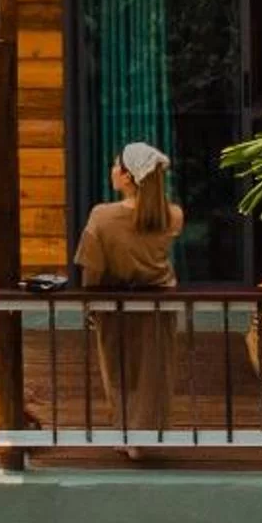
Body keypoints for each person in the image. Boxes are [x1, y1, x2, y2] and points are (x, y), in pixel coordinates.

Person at [75, 141, 184, 431]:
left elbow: (92, 267)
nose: (112, 170)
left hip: (115, 304)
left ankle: (126, 434)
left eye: (116, 165)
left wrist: (89, 304)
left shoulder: (102, 216)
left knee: (117, 370)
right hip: (160, 305)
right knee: (154, 372)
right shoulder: (172, 215)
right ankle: (148, 434)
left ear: (127, 176)